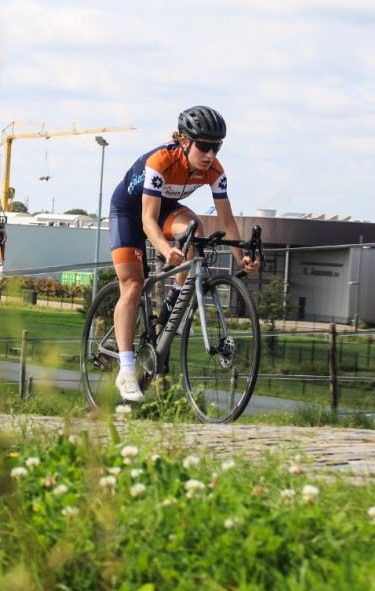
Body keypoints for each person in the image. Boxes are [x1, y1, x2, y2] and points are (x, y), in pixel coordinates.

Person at [107, 105, 261, 403]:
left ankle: (176, 295)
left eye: (216, 146)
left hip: (166, 209)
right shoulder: (160, 162)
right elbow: (147, 221)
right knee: (133, 285)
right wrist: (166, 250)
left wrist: (240, 255)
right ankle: (126, 370)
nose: (210, 154)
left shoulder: (215, 171)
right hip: (129, 210)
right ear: (184, 141)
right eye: (204, 146)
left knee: (196, 230)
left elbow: (227, 222)